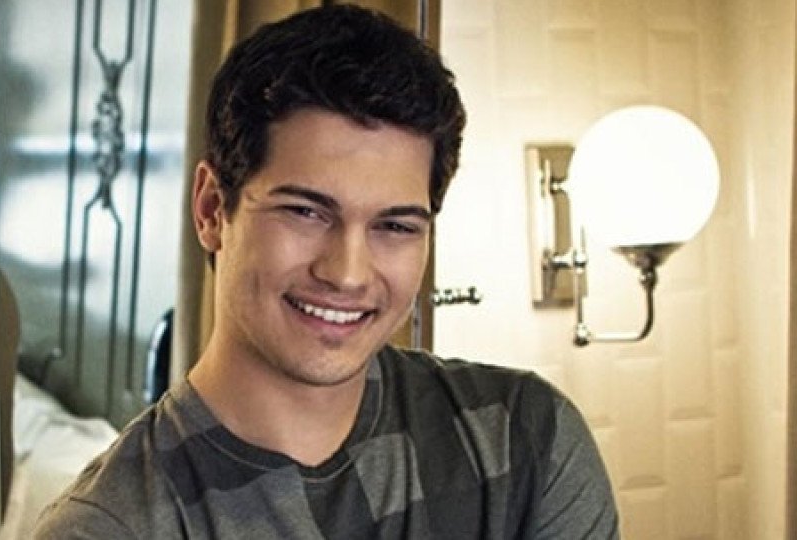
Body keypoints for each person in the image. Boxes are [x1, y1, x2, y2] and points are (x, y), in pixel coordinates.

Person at [35, 5, 619, 539]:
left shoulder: (524, 440)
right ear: (212, 210)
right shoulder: (111, 528)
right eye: (305, 212)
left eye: (395, 226)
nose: (347, 273)